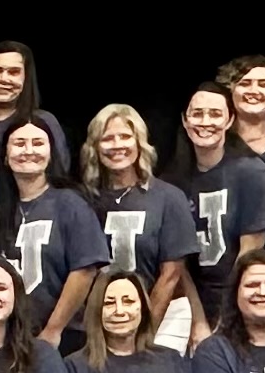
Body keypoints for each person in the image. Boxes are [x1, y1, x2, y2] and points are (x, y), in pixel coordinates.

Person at [79, 103, 201, 355]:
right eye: (107, 138)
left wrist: (144, 330)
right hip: (106, 316)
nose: (117, 145)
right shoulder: (84, 201)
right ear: (94, 147)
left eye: (125, 136)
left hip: (164, 316)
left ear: (140, 143)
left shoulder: (168, 197)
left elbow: (171, 275)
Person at [170, 77, 265, 348]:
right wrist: (198, 323)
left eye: (215, 114)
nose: (205, 121)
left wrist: (224, 320)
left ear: (230, 121)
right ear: (185, 120)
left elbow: (250, 252)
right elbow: (178, 264)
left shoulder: (250, 171)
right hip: (196, 301)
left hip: (244, 298)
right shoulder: (173, 182)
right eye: (197, 113)